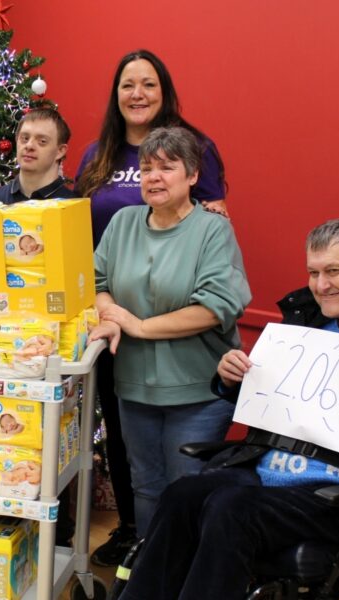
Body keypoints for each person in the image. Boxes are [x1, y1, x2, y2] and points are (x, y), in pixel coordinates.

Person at [119, 218, 339, 600]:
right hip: (266, 467)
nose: (321, 286)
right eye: (313, 273)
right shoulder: (306, 320)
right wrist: (235, 380)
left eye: (334, 271)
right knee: (181, 494)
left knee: (230, 508)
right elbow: (274, 402)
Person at [77, 49, 230, 566]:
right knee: (132, 455)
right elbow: (89, 254)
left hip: (170, 341)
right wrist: (108, 310)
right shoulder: (100, 156)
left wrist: (136, 322)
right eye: (127, 85)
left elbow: (216, 284)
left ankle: (180, 558)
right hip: (116, 326)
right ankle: (139, 543)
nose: (136, 94)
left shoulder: (201, 168)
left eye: (148, 84)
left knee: (182, 477)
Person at [89, 126, 250, 540]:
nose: (153, 177)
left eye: (166, 167)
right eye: (146, 168)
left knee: (184, 490)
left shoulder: (213, 230)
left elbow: (216, 307)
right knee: (145, 487)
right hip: (135, 387)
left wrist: (138, 327)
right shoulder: (124, 222)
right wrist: (111, 312)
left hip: (197, 392)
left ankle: (184, 576)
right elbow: (95, 281)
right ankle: (150, 571)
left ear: (193, 175)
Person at [0, 108, 75, 204]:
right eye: (25, 138)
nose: (29, 146)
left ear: (60, 151)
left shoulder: (75, 208)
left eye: (42, 141)